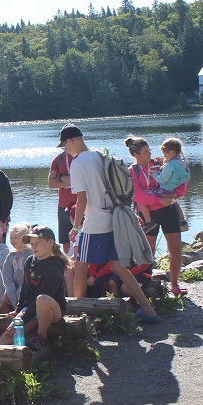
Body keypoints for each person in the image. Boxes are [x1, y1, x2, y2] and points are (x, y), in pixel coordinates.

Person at [63, 124, 159, 323]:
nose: (65, 150)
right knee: (118, 266)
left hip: (95, 222)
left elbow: (82, 199)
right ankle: (148, 311)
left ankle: (79, 315)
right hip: (115, 218)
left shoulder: (77, 163)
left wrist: (76, 227)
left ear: (70, 141)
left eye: (65, 145)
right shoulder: (100, 155)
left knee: (80, 265)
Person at [126, 135, 189, 297]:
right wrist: (159, 199)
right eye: (145, 152)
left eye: (150, 151)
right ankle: (145, 283)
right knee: (148, 252)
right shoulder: (132, 171)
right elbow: (137, 194)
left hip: (168, 211)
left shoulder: (160, 165)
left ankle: (174, 284)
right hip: (148, 215)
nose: (150, 154)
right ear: (135, 155)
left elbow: (180, 182)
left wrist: (175, 195)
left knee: (176, 250)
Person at [0, 226, 70, 350]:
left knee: (42, 300)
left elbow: (45, 296)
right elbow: (24, 288)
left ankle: (41, 335)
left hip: (52, 310)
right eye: (32, 244)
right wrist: (19, 310)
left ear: (50, 243)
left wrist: (23, 316)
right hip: (32, 307)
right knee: (12, 331)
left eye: (37, 243)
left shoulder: (54, 268)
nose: (34, 247)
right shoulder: (30, 260)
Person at [134, 137, 190, 233]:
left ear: (171, 152)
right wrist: (164, 159)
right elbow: (174, 161)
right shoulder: (182, 162)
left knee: (140, 200)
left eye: (164, 154)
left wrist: (154, 174)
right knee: (174, 201)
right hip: (172, 190)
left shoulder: (170, 165)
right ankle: (183, 221)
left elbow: (162, 180)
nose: (164, 156)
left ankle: (148, 222)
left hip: (164, 189)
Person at [48, 146, 78, 254]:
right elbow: (51, 183)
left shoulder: (83, 158)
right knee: (66, 242)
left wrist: (61, 177)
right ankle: (68, 263)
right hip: (63, 207)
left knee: (82, 239)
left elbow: (87, 181)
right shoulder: (58, 159)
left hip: (82, 205)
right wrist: (72, 182)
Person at [0, 222, 33, 311]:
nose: (12, 240)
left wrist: (19, 293)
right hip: (13, 288)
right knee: (2, 299)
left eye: (16, 237)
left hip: (28, 287)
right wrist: (11, 291)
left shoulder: (31, 255)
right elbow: (6, 275)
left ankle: (21, 312)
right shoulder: (11, 255)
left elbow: (27, 278)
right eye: (11, 238)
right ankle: (9, 314)